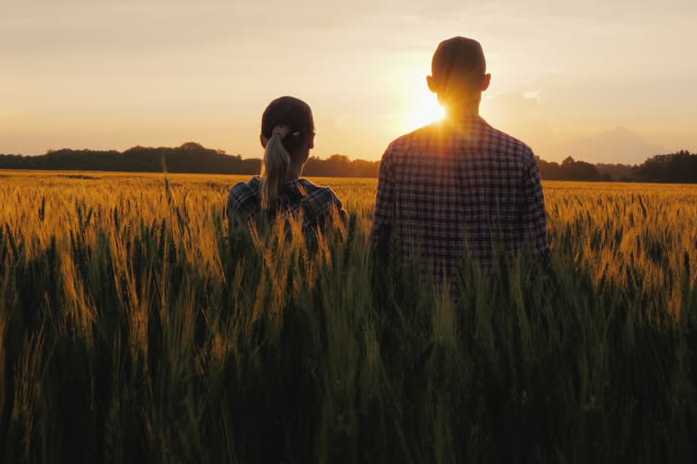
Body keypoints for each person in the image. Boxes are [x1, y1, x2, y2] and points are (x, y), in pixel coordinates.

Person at [371, 36, 549, 293]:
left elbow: (379, 245)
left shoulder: (398, 154)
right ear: (486, 82)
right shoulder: (519, 156)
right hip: (498, 320)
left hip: (415, 319)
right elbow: (538, 253)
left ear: (431, 84)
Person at [228, 96, 345, 229]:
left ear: (263, 142)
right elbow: (346, 242)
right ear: (311, 140)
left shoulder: (239, 195)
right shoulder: (324, 201)